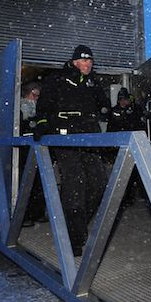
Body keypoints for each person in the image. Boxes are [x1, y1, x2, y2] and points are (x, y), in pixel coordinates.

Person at [36, 45, 110, 256]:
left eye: (90, 61)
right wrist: (42, 123)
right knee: (75, 181)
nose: (88, 65)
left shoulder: (93, 82)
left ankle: (77, 223)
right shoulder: (58, 79)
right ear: (75, 61)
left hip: (90, 137)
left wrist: (109, 111)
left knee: (99, 182)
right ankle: (74, 236)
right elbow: (44, 104)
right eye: (84, 61)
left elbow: (104, 105)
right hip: (65, 136)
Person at [18, 81, 47, 225]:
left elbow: (43, 125)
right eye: (33, 95)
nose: (35, 99)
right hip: (24, 150)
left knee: (39, 182)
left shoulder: (40, 111)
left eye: (38, 96)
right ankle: (25, 216)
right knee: (25, 183)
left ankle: (38, 213)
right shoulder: (19, 110)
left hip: (38, 149)